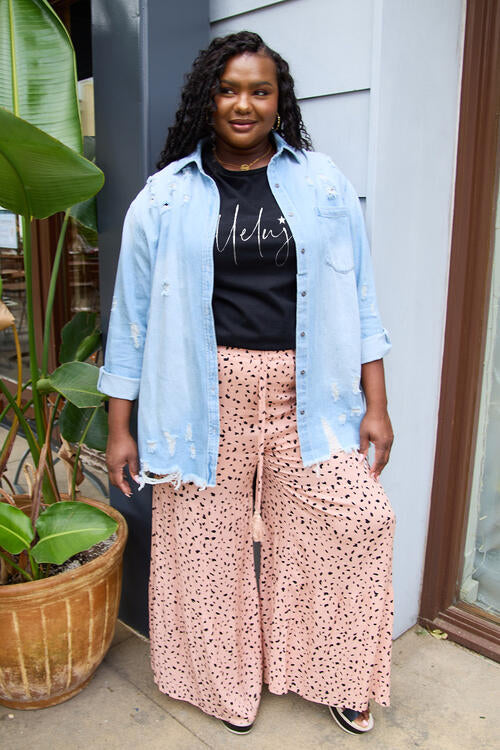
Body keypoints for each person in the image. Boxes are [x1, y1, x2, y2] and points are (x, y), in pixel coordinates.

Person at [98, 30, 395, 737]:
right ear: (207, 99)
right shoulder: (164, 198)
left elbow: (361, 300)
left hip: (308, 394)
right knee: (203, 549)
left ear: (278, 100)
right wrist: (119, 428)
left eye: (260, 91)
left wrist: (377, 405)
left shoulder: (322, 183)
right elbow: (131, 321)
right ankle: (222, 685)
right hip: (197, 398)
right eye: (229, 89)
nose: (243, 104)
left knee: (356, 521)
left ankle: (338, 672)